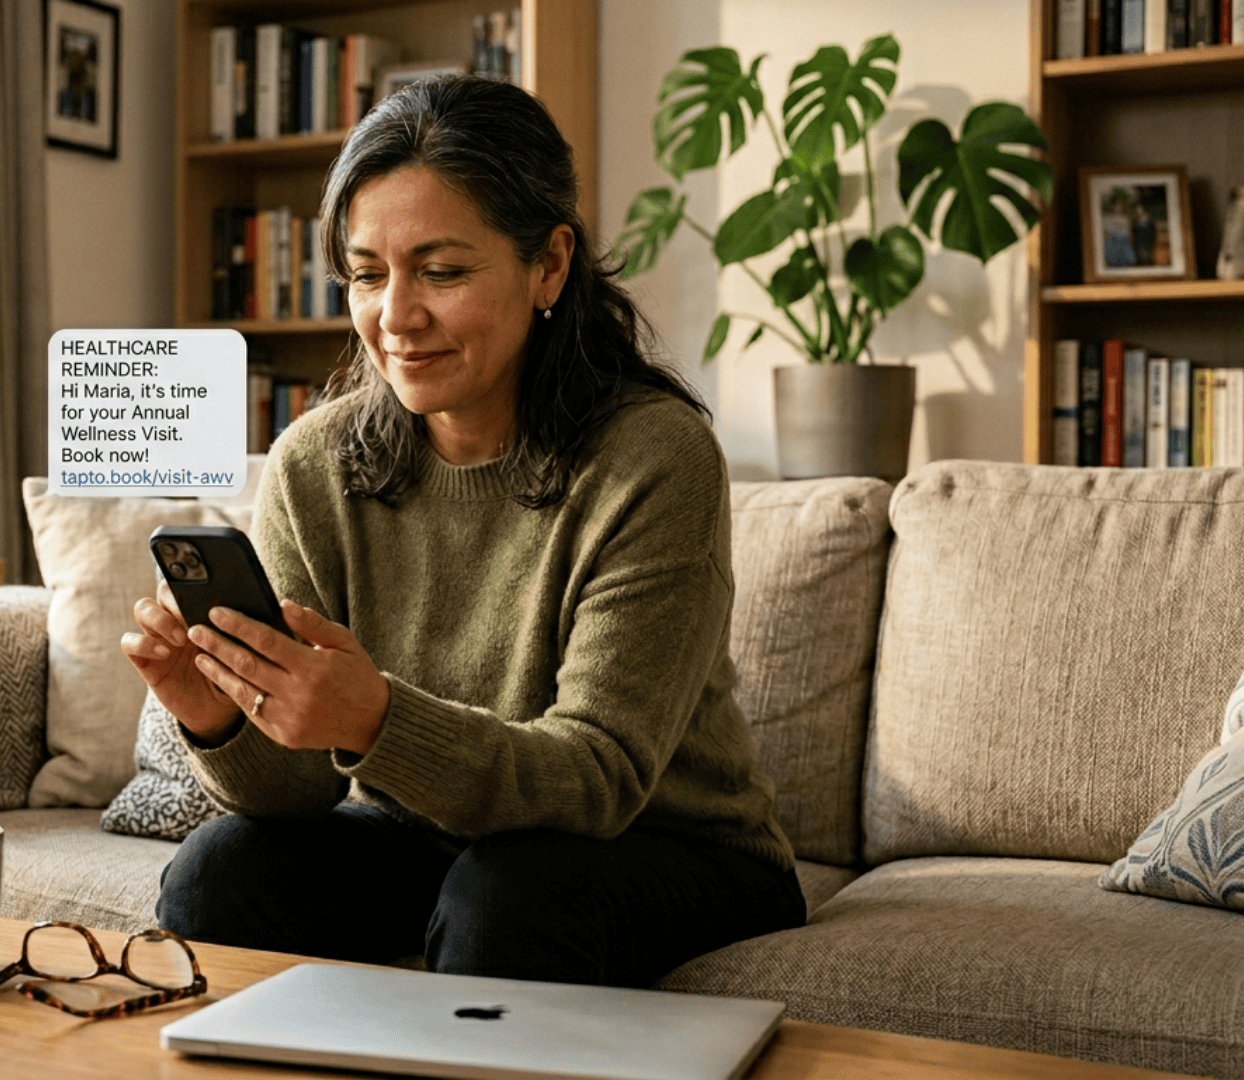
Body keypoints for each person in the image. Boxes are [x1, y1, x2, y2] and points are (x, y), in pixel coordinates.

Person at [121, 75, 803, 989]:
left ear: (549, 265)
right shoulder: (314, 466)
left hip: (669, 845)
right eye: (368, 274)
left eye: (441, 272)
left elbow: (598, 779)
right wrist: (215, 718)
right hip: (427, 834)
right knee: (218, 872)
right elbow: (300, 792)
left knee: (506, 898)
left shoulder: (653, 458)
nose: (395, 317)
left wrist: (375, 718)